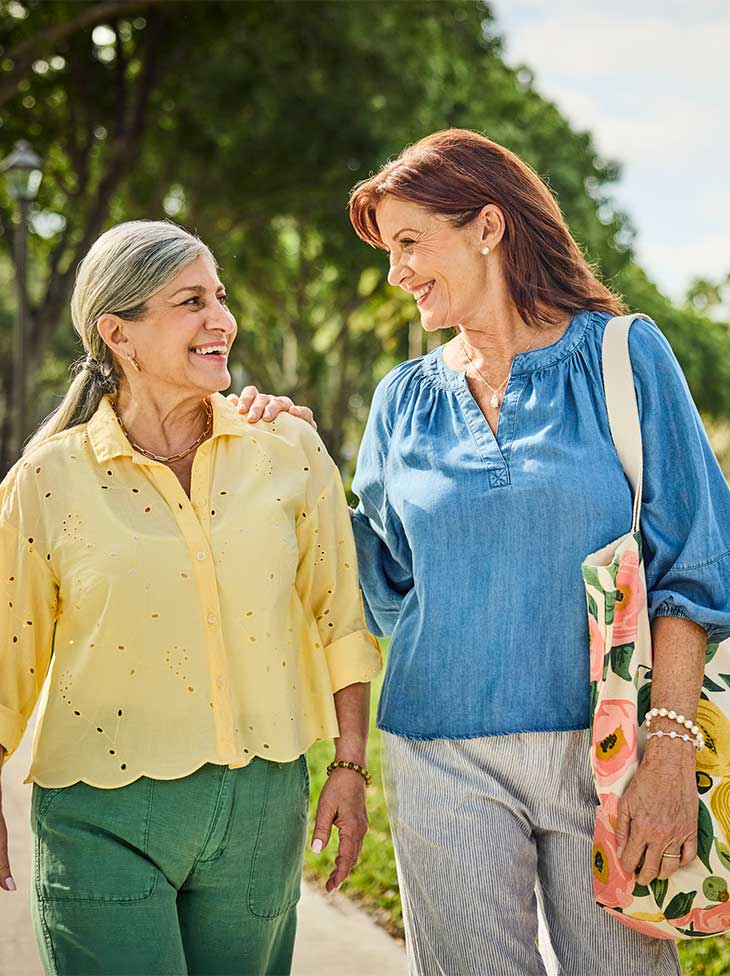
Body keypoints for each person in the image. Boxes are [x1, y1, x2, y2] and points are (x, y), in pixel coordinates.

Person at [231, 130, 730, 975]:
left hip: (608, 752)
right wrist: (297, 458)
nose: (397, 272)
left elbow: (694, 568)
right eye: (390, 252)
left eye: (410, 243)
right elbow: (382, 581)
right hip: (441, 754)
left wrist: (671, 750)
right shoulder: (403, 398)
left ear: (488, 227)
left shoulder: (622, 356)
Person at [0, 220, 381, 976]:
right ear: (120, 334)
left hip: (261, 810)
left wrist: (350, 764)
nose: (222, 320)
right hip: (99, 815)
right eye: (191, 302)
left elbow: (340, 615)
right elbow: (9, 646)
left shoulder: (289, 449)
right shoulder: (47, 481)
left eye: (221, 297)